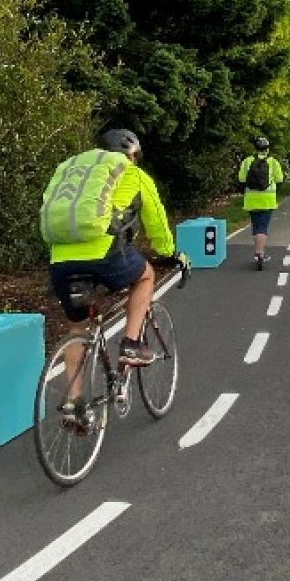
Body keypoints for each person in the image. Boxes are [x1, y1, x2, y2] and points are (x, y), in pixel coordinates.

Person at [45, 128, 185, 421]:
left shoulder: (75, 171)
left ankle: (74, 406)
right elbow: (157, 223)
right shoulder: (133, 174)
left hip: (60, 258)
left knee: (78, 328)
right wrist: (171, 254)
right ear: (132, 154)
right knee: (145, 276)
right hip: (105, 252)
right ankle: (131, 344)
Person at [237, 136, 286, 271]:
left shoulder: (247, 161)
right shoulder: (273, 162)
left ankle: (257, 251)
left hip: (251, 200)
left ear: (255, 148)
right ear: (267, 149)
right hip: (267, 200)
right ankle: (260, 253)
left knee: (255, 225)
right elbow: (280, 179)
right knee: (263, 227)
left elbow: (241, 179)